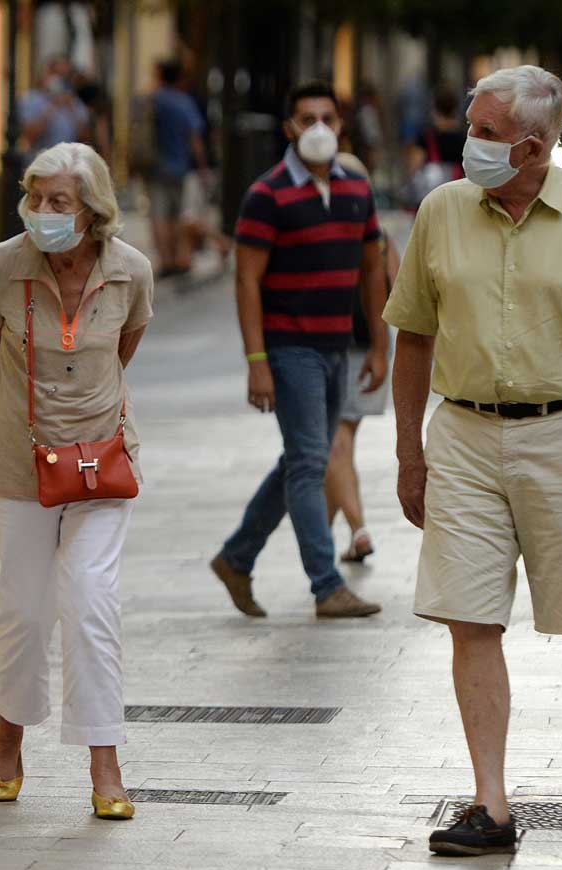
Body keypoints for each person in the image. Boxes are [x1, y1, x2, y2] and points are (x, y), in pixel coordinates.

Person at [385, 65, 562, 856]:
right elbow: (413, 334)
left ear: (534, 147)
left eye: (484, 133)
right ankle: (492, 805)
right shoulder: (440, 212)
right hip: (465, 435)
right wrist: (410, 452)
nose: (466, 144)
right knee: (469, 618)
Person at [0, 142, 152, 821]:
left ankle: (104, 759)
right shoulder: (1, 267)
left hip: (101, 461)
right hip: (19, 460)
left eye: (59, 202)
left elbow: (120, 354)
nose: (43, 212)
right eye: (35, 198)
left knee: (90, 598)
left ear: (94, 211)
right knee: (23, 609)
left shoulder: (131, 272)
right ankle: (7, 736)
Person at [210, 80, 388, 620]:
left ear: (341, 126)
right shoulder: (267, 195)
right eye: (306, 118)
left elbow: (373, 268)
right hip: (290, 349)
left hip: (337, 346)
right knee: (313, 461)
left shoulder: (356, 189)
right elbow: (246, 281)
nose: (318, 128)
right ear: (289, 128)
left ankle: (237, 557)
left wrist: (381, 345)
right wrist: (257, 362)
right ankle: (325, 584)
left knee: (300, 460)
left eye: (327, 118)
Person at [323, 149, 400, 564]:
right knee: (340, 445)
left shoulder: (327, 230)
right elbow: (400, 296)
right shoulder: (381, 237)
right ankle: (326, 540)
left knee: (335, 444)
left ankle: (358, 529)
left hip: (342, 350)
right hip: (368, 347)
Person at [148, 60, 210, 277]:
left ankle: (164, 261)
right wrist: (202, 166)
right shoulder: (184, 102)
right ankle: (177, 259)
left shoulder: (153, 100)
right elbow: (195, 137)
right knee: (177, 215)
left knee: (158, 215)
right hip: (179, 166)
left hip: (154, 166)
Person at [403, 84, 466, 208]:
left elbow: (414, 168)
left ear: (435, 109)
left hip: (430, 202)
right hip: (456, 201)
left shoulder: (426, 138)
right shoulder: (464, 138)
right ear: (456, 109)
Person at [19, 58, 90, 158]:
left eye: (64, 76)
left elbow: (85, 139)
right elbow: (28, 137)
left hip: (68, 162)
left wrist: (71, 110)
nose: (59, 79)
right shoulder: (31, 99)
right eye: (56, 73)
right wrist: (52, 107)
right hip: (41, 160)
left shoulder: (75, 102)